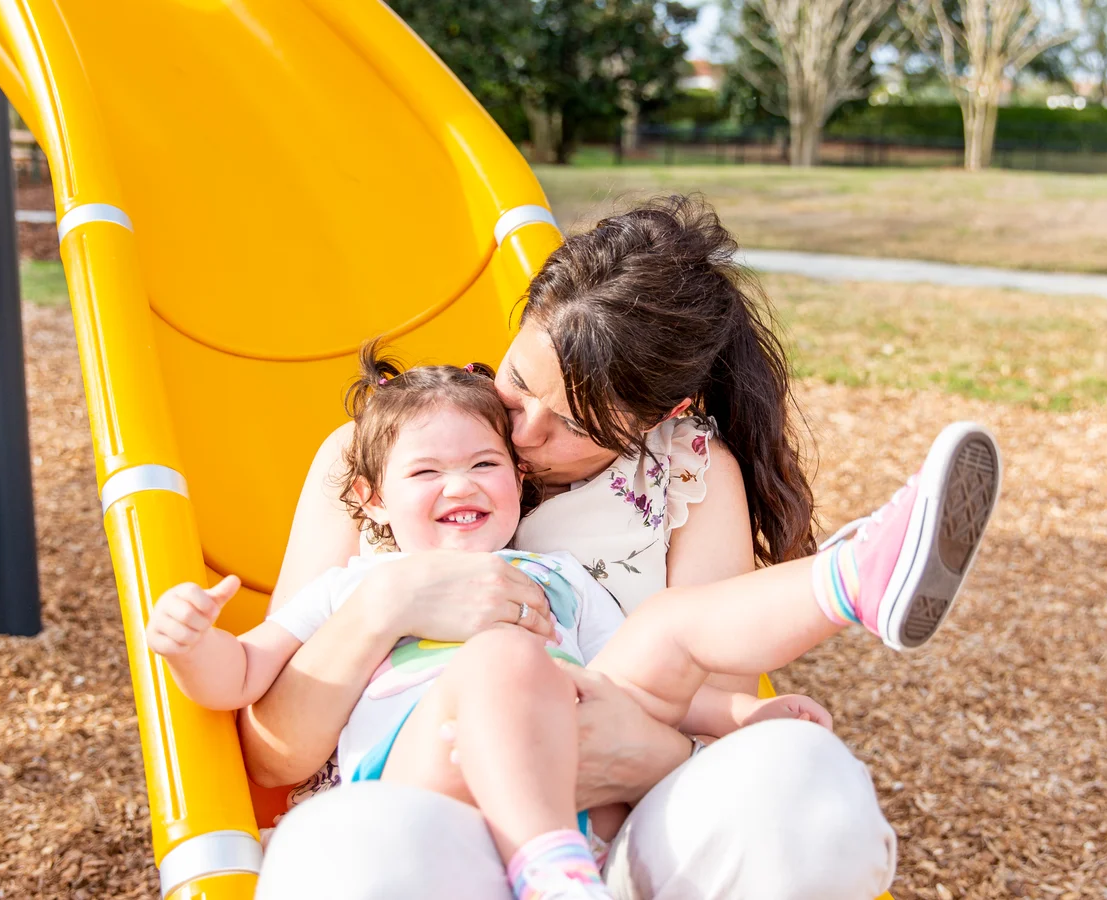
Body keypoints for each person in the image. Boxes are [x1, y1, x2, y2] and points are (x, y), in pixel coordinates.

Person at [244, 197, 920, 898]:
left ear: (664, 415)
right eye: (517, 382)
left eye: (573, 423)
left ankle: (853, 573)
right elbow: (273, 753)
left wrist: (635, 753)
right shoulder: (396, 447)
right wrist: (389, 601)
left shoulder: (687, 476)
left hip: (614, 824)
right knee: (344, 851)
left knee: (805, 776)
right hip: (419, 812)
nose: (524, 434)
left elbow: (712, 727)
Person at [150, 354, 1000, 900]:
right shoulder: (355, 584)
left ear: (518, 483)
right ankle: (551, 868)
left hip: (572, 747)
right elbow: (246, 679)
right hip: (422, 768)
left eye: (486, 464)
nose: (463, 484)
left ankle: (852, 579)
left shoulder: (554, 575)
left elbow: (642, 683)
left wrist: (742, 717)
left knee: (664, 626)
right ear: (371, 499)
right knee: (499, 665)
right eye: (427, 472)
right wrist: (194, 646)